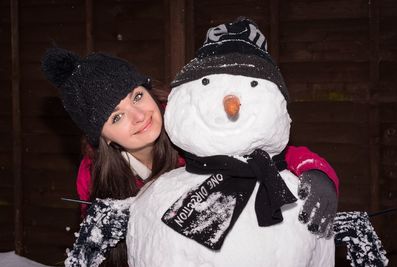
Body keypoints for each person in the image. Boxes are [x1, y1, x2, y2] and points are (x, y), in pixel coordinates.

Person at [42, 47, 338, 267]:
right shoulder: (94, 175)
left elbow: (269, 150)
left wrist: (316, 172)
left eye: (136, 96)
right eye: (117, 117)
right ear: (102, 136)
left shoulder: (190, 126)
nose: (139, 116)